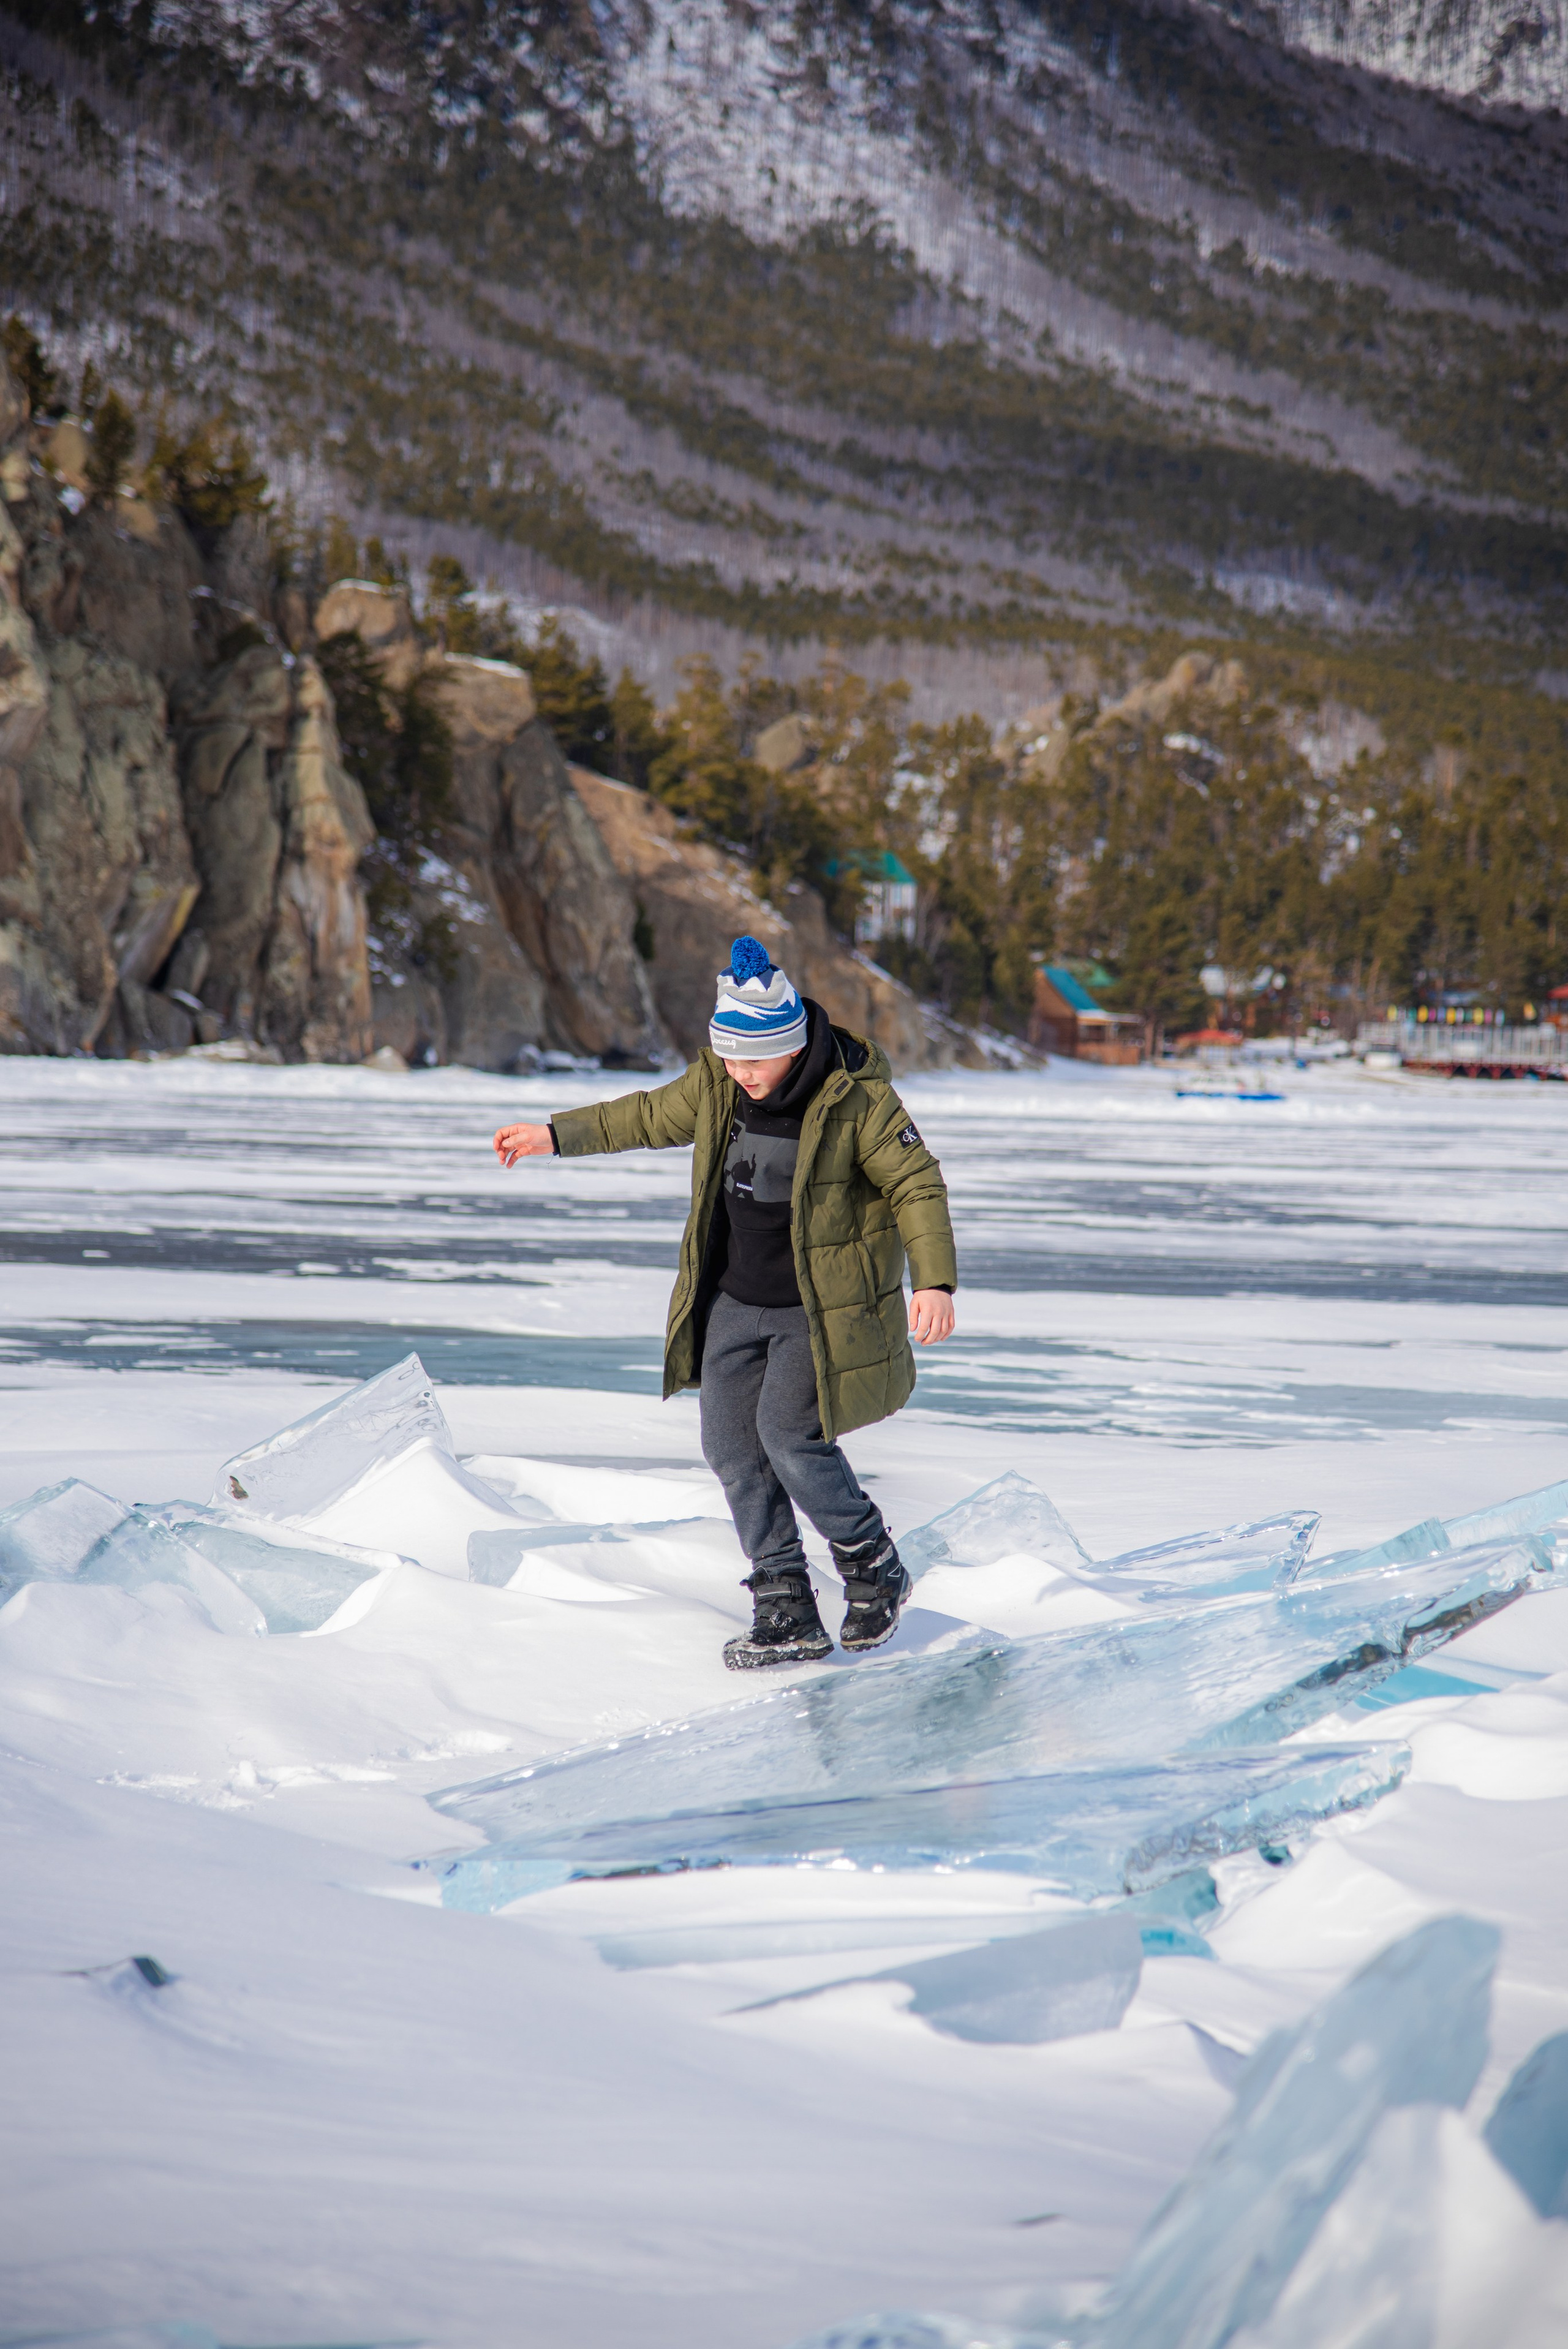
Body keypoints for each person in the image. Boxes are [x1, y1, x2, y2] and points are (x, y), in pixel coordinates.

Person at [494, 934, 958, 1670]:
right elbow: (644, 1115)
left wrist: (933, 1280)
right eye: (729, 1057)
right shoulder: (717, 1082)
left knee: (787, 1433)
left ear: (791, 1044)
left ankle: (872, 1565)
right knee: (731, 1447)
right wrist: (556, 1134)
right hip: (736, 1302)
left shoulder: (856, 1097)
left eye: (754, 1059)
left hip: (818, 1309)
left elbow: (916, 1184)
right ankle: (784, 1604)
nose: (739, 1073)